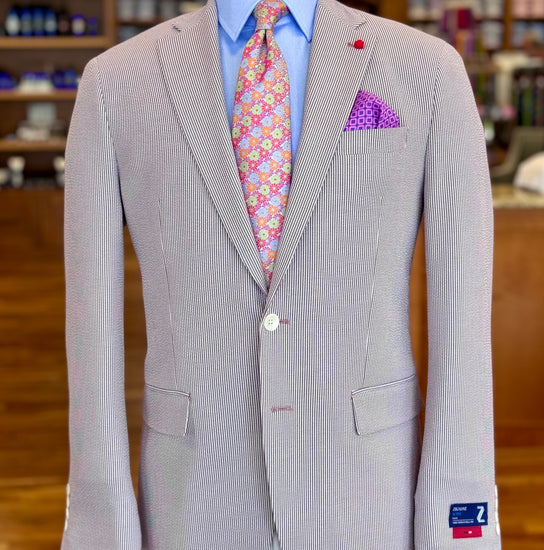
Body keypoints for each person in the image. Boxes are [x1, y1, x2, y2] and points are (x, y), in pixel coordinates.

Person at [61, 0, 502, 548]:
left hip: (367, 492)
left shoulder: (427, 70)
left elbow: (463, 321)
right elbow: (90, 325)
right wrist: (101, 529)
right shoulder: (115, 82)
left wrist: (459, 523)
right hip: (192, 496)